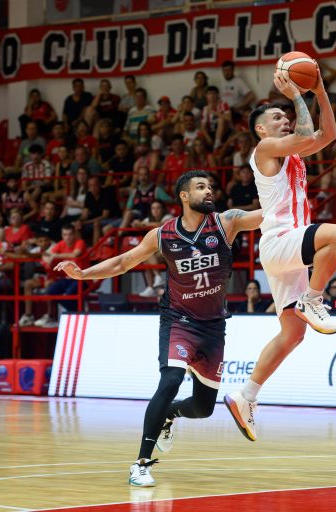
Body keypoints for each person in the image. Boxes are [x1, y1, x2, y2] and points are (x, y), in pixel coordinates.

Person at [54, 170, 262, 486]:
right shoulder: (163, 235)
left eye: (210, 186)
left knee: (203, 408)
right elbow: (123, 262)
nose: (209, 191)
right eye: (201, 187)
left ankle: (170, 414)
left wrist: (290, 190)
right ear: (183, 196)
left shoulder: (226, 223)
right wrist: (83, 274)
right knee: (171, 381)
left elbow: (268, 215)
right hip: (179, 321)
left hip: (214, 327)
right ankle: (140, 464)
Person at [223, 64, 336, 442]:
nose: (285, 120)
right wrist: (297, 94)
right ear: (261, 130)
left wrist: (320, 90)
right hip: (281, 242)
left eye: (285, 115)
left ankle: (245, 396)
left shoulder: (293, 154)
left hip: (286, 249)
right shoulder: (265, 148)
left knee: (293, 334)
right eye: (276, 117)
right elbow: (307, 133)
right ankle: (313, 298)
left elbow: (328, 135)